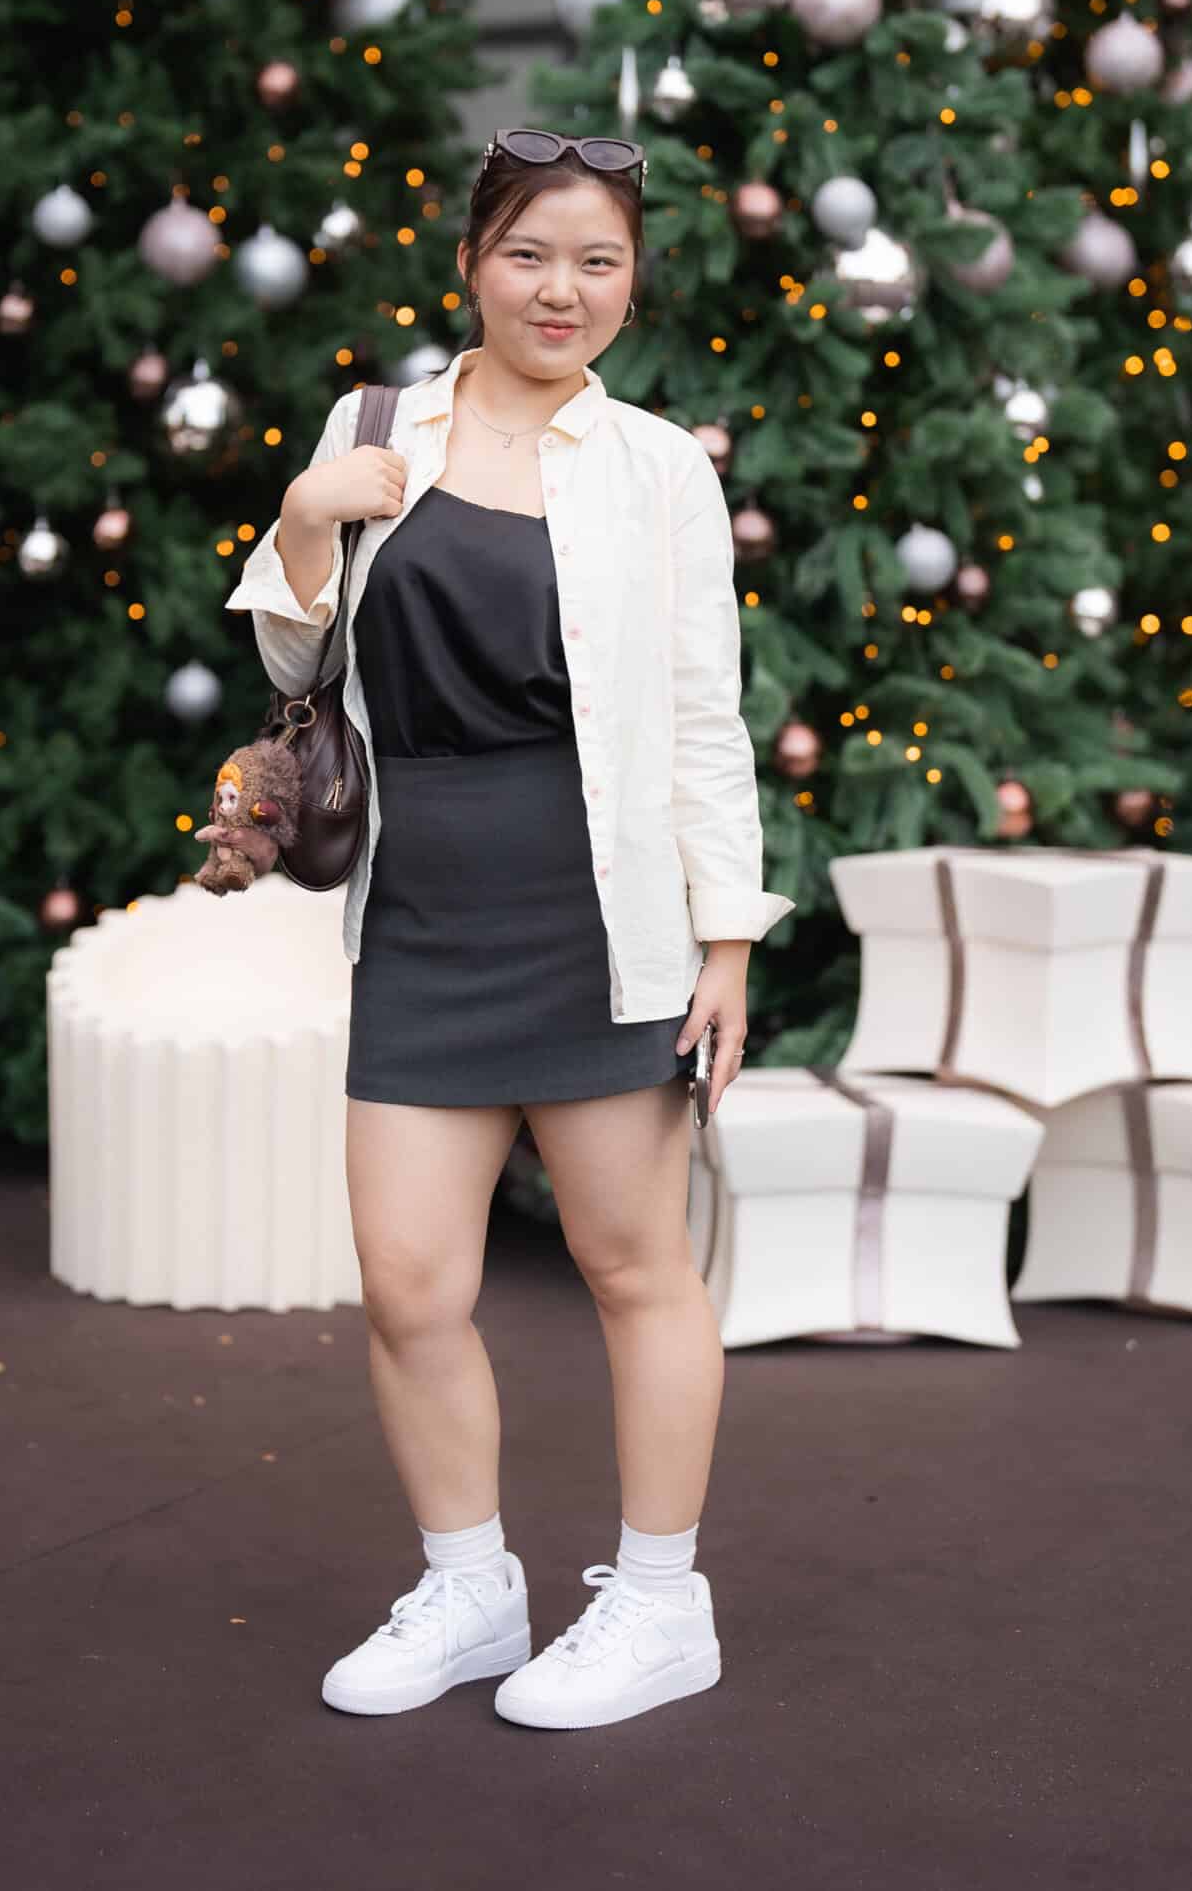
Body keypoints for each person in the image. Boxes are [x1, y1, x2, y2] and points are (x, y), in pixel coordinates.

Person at [219, 127, 793, 1730]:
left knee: (633, 1268)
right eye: (531, 253)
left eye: (599, 261)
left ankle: (662, 1605)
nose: (563, 289)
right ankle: (470, 1591)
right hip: (421, 913)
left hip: (603, 919)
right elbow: (294, 668)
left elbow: (705, 722)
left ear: (632, 283)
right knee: (409, 1282)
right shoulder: (375, 426)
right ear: (473, 261)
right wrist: (305, 518)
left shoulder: (659, 466)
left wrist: (727, 945)